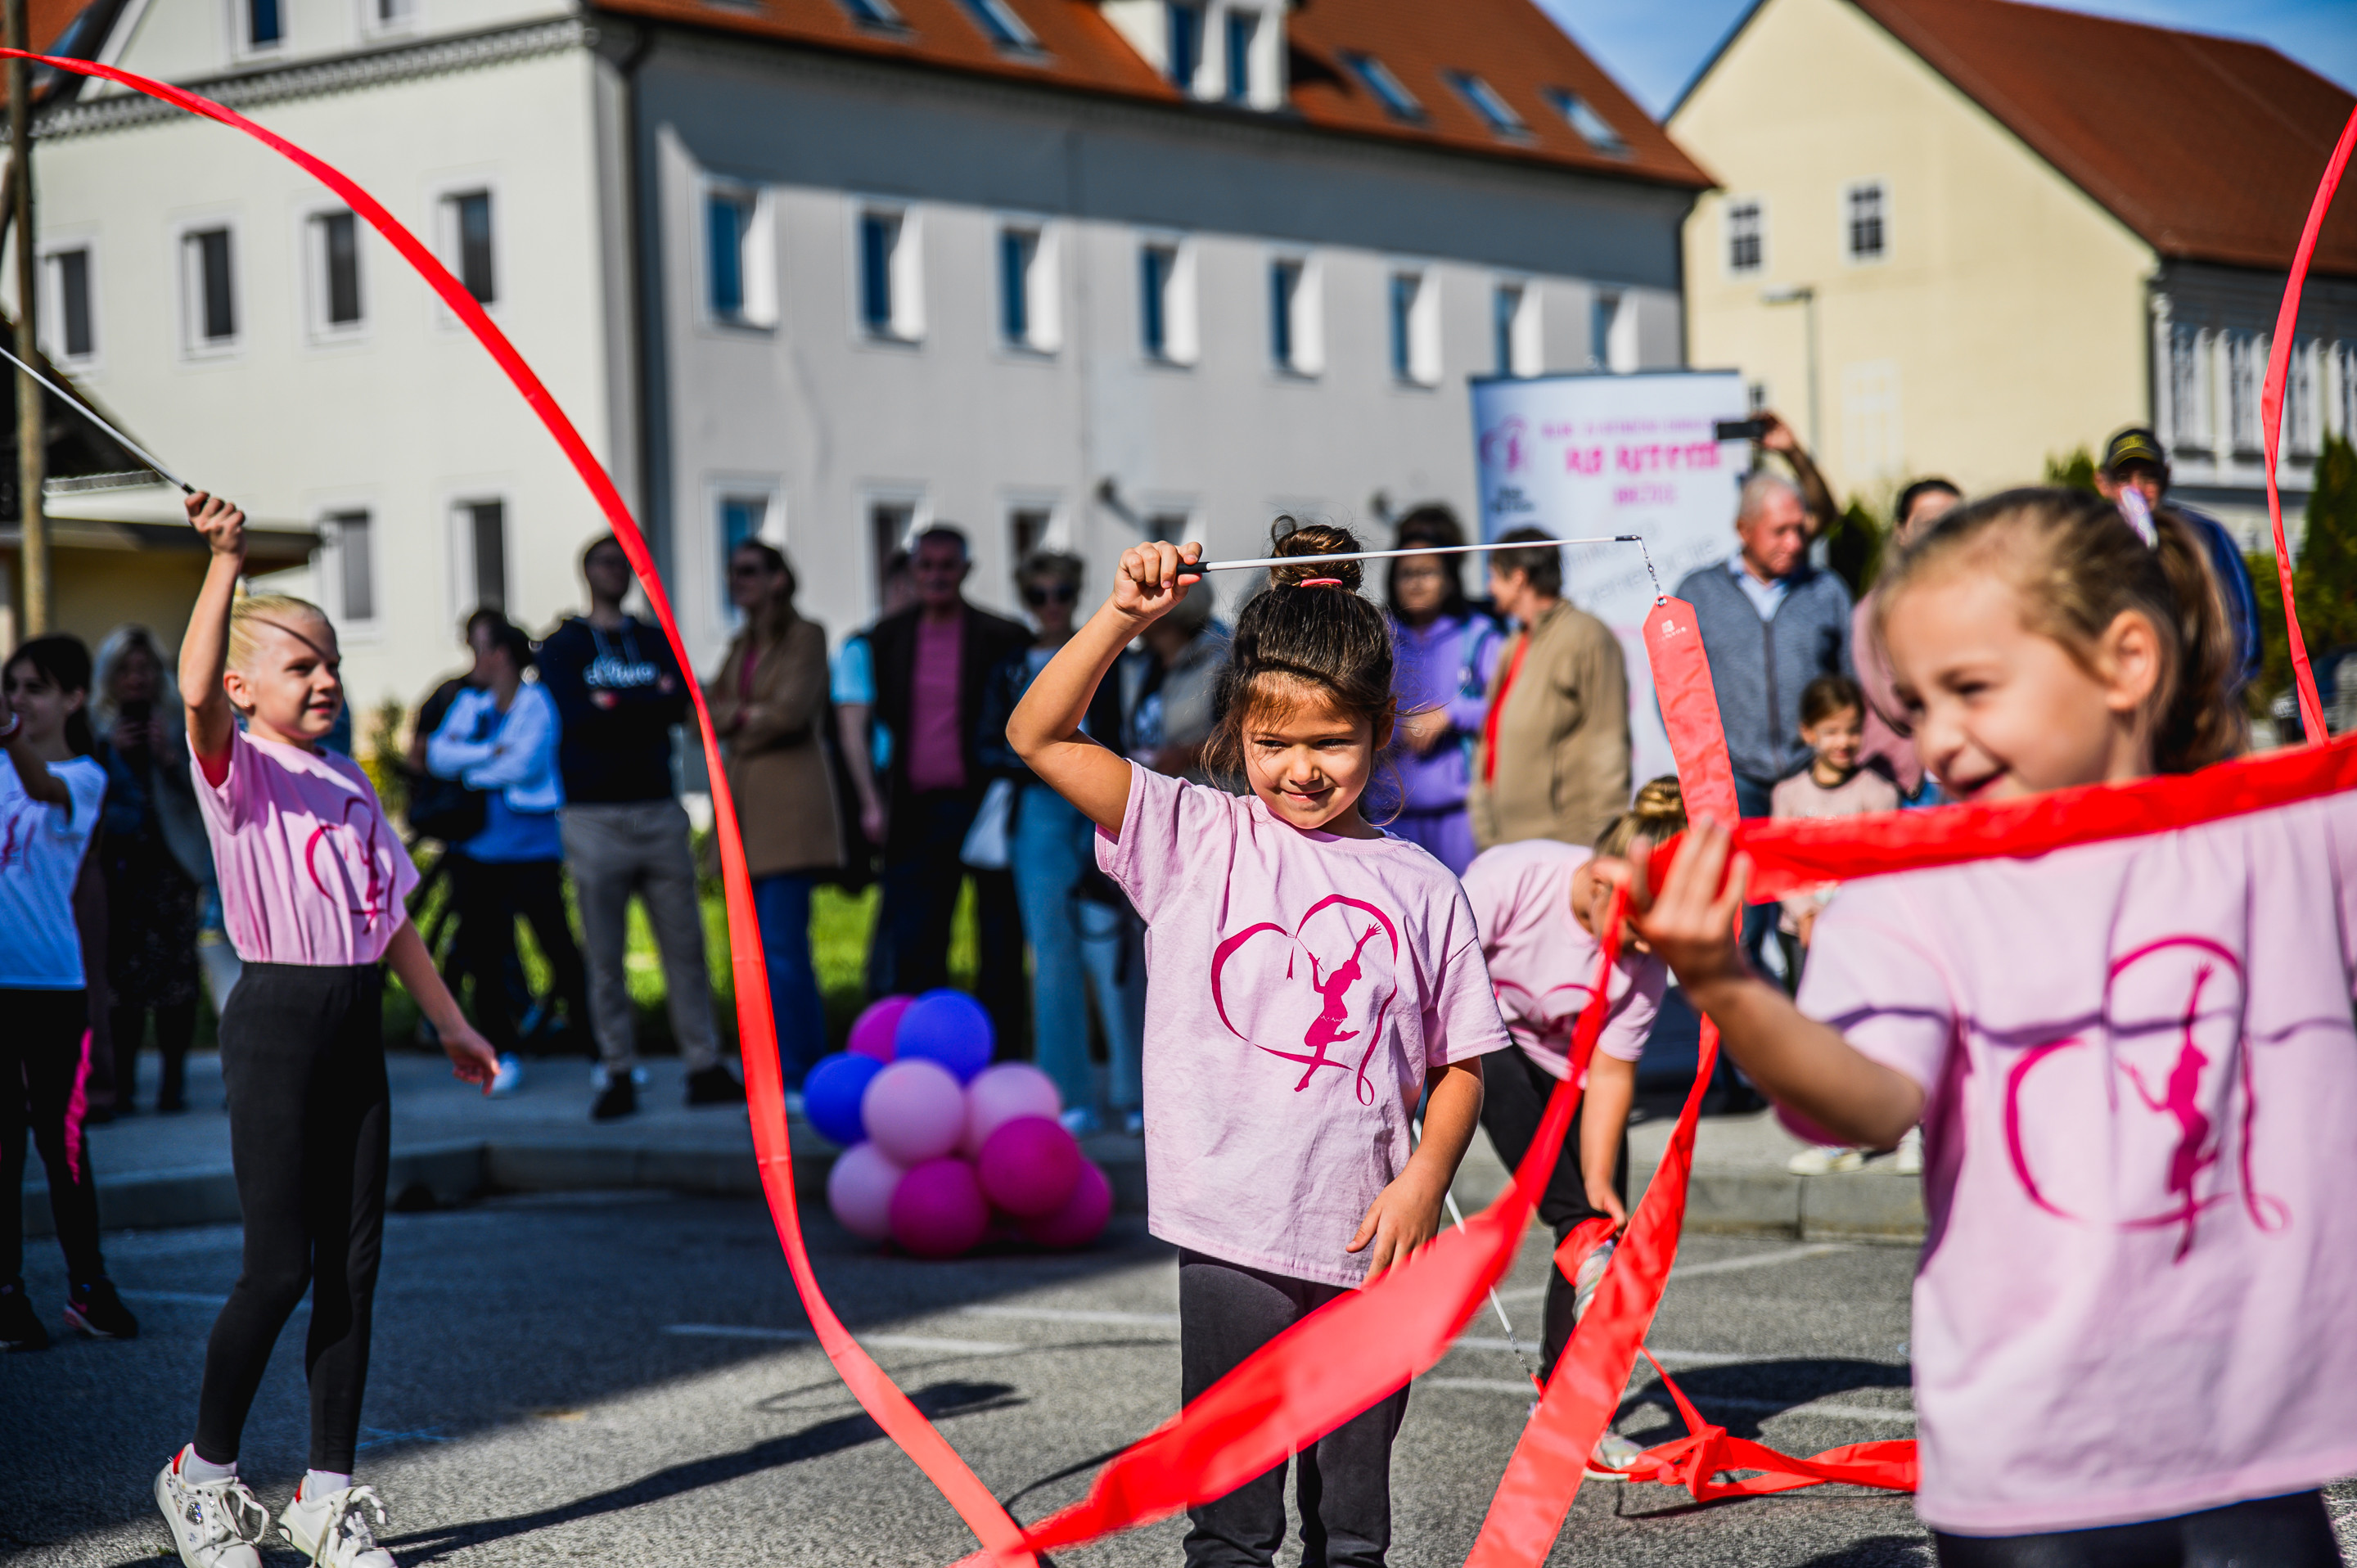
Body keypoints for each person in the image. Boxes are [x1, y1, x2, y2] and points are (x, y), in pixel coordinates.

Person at [1613, 488, 2357, 1565]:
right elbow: (1862, 1104)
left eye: (1973, 690)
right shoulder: (1918, 893)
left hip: (2258, 1448)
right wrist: (1725, 984)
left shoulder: (2285, 844)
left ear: (2126, 662)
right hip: (2032, 1465)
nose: (1941, 742)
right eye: (1916, 709)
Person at [1008, 520, 1510, 1568]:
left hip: (1370, 1246)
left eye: (1330, 740)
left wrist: (1427, 1175)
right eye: (1274, 742)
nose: (1302, 769)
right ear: (1235, 731)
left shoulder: (1425, 886)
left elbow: (1464, 1058)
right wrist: (1124, 615)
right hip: (1233, 1233)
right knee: (1232, 1527)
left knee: (1354, 1530)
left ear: (1379, 729)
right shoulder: (1191, 834)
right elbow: (1040, 736)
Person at [157, 492, 498, 1568]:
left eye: (333, 662)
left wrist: (450, 1024)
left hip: (355, 1024)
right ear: (249, 687)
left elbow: (390, 919)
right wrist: (224, 564)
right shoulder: (237, 773)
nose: (324, 680)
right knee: (277, 1270)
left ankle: (328, 1495)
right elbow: (194, 686)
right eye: (299, 665)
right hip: (277, 1020)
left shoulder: (351, 782)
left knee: (353, 1270)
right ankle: (201, 1476)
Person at [1460, 778, 1682, 1419]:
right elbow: (1441, 987)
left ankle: (1565, 1406)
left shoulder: (1645, 963)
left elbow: (1612, 1076)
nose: (1645, 950)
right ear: (1602, 881)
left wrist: (1595, 1178)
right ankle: (1576, 1228)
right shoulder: (1515, 877)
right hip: (1489, 1042)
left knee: (1600, 1221)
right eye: (1641, 931)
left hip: (1576, 1071)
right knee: (1488, 1056)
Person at [538, 534, 742, 1120]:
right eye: (607, 562)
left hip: (659, 809)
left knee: (686, 946)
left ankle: (703, 1064)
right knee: (605, 955)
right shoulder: (565, 644)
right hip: (593, 816)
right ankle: (618, 1069)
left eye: (626, 564)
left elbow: (679, 704)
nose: (618, 572)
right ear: (587, 571)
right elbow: (577, 713)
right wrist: (638, 700)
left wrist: (616, 703)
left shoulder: (654, 640)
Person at [0, 635, 138, 1351]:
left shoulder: (84, 776)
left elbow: (44, 790)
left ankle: (89, 1286)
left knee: (65, 1142)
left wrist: (8, 735)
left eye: (36, 687)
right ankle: (7, 1294)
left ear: (75, 698)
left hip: (54, 984)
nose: (21, 698)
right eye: (13, 686)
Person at [980, 547, 1146, 1135]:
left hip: (1101, 799)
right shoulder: (1007, 664)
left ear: (1075, 595)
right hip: (1041, 811)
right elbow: (989, 742)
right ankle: (1065, 1092)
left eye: (1061, 593)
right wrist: (1036, 760)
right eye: (1038, 595)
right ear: (1027, 600)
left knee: (1118, 955)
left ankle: (1134, 1094)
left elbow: (1124, 730)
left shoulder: (1102, 648)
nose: (1051, 606)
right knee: (1053, 958)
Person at [1672, 472, 1853, 971]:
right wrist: (1706, 774)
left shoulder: (1827, 592)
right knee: (1741, 930)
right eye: (1780, 531)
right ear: (1743, 529)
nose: (1795, 542)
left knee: (1819, 924)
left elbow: (1850, 681)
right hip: (1736, 786)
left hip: (1812, 783)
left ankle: (1816, 1042)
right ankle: (1747, 1047)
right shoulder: (1698, 594)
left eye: (1800, 529)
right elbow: (1677, 693)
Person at [866, 526, 1030, 1040]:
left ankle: (1001, 1059)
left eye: (946, 565)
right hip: (914, 811)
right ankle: (923, 1060)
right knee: (917, 944)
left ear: (965, 570)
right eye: (926, 565)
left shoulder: (1003, 636)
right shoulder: (886, 638)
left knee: (999, 941)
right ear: (912, 571)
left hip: (987, 807)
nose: (936, 575)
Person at [425, 617, 591, 1097]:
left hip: (530, 849)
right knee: (483, 953)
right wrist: (492, 752)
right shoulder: (469, 702)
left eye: (479, 649)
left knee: (557, 946)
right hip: (475, 850)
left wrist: (471, 763)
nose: (473, 659)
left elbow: (526, 763)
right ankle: (501, 1050)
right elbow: (438, 755)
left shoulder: (538, 702)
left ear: (500, 655)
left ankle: (598, 1048)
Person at [703, 539, 843, 1088]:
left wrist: (733, 717)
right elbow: (698, 717)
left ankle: (801, 1069)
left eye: (750, 572)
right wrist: (744, 713)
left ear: (779, 578)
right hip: (743, 812)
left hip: (787, 815)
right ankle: (769, 1065)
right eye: (733, 572)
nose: (740, 582)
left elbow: (788, 713)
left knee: (784, 950)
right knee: (750, 954)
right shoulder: (741, 644)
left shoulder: (805, 636)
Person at [1768, 675, 1901, 1178]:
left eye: (1851, 731)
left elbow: (1880, 864)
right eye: (1830, 732)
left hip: (1861, 931)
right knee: (1818, 1035)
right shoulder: (1787, 794)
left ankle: (1904, 1129)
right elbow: (1778, 863)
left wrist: (1839, 912)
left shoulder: (1877, 792)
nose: (1843, 742)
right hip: (1802, 934)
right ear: (1808, 734)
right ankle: (1834, 1134)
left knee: (1874, 1027)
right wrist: (1804, 911)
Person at [92, 624, 213, 1115]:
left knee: (176, 981)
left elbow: (205, 792)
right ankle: (122, 1085)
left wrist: (168, 758)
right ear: (110, 677)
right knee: (123, 981)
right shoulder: (95, 727)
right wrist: (109, 754)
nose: (137, 680)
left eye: (145, 669)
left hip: (172, 867)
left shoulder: (178, 722)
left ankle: (173, 1085)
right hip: (119, 870)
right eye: (126, 670)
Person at [1468, 528, 1631, 852]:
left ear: (1517, 578)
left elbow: (1608, 740)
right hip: (1508, 843)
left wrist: (1601, 837)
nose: (1489, 588)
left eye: (1493, 577)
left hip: (1565, 843)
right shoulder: (1516, 641)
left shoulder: (1587, 637)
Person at [2095, 426, 2263, 695]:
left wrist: (2219, 693)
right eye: (2124, 478)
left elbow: (2241, 620)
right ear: (2103, 483)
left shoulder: (2205, 535)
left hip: (2197, 704)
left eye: (2148, 477)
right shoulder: (2092, 543)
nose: (2137, 490)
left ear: (2167, 477)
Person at [1385, 506, 1502, 876]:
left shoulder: (1480, 634)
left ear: (1450, 579)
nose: (1416, 583)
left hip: (1460, 815)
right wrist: (1394, 724)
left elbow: (1510, 705)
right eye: (1406, 573)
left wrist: (1449, 715)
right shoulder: (1375, 635)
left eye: (1428, 572)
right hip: (1390, 814)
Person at [1855, 479, 1960, 804]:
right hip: (1906, 781)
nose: (1942, 531)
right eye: (1929, 522)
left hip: (1965, 769)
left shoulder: (1981, 600)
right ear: (1901, 532)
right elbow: (1895, 702)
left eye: (1954, 520)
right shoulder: (1875, 609)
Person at [1132, 578, 1230, 785]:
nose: (1134, 604)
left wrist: (1189, 754)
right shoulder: (1138, 665)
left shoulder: (1225, 659)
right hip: (1155, 796)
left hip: (1210, 798)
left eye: (1146, 595)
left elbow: (1248, 744)